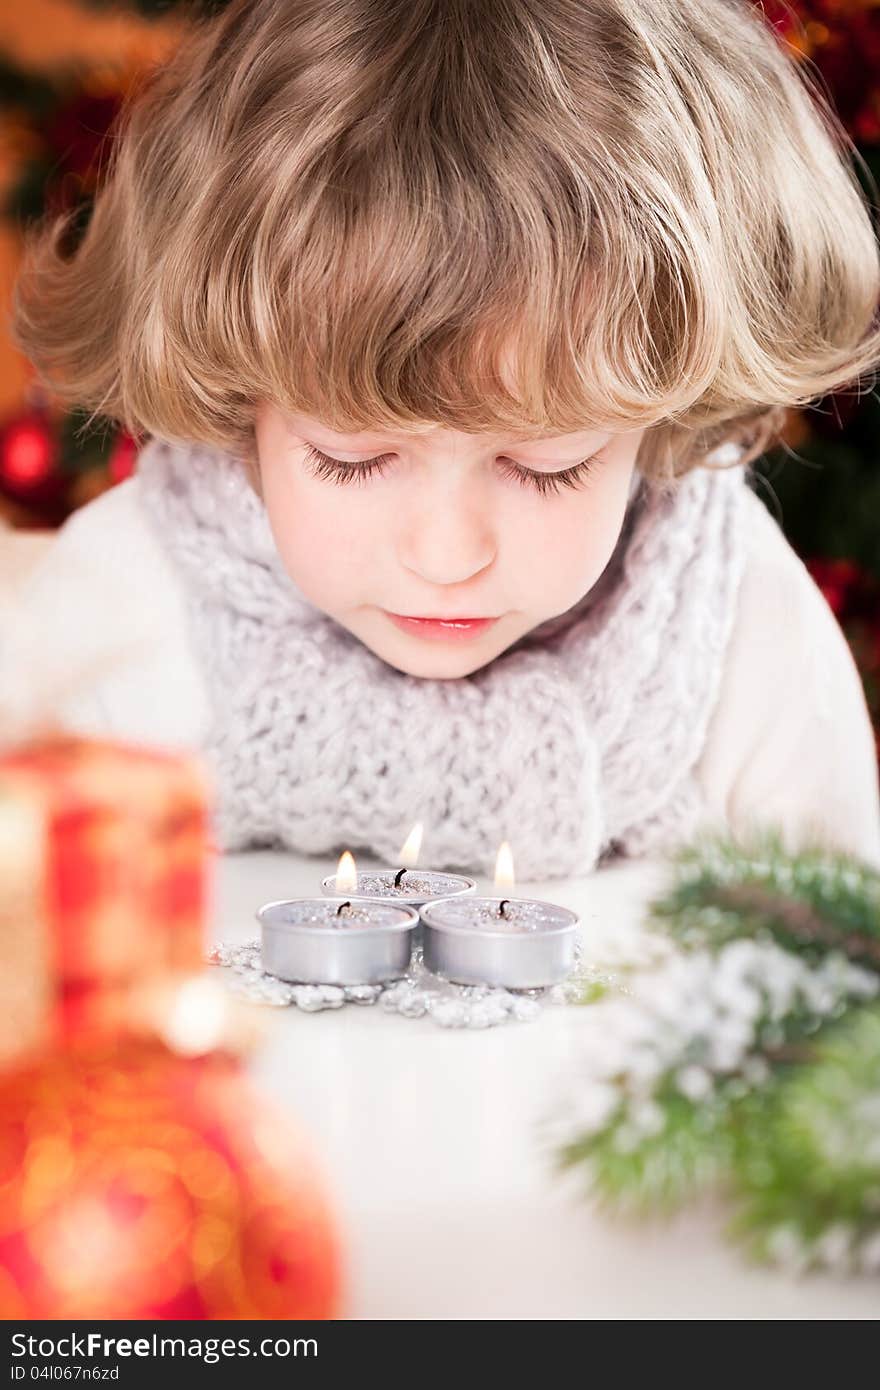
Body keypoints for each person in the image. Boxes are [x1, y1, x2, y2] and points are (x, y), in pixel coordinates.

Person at [7, 0, 880, 876]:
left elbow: (843, 973)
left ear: (660, 417)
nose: (446, 553)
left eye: (547, 466)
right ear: (245, 413)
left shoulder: (740, 639)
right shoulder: (127, 601)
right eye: (352, 458)